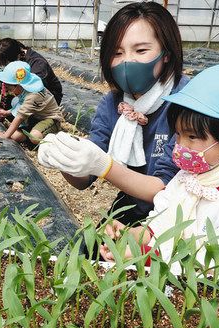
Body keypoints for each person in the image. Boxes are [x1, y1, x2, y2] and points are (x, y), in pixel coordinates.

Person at [99, 64, 219, 268]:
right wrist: (130, 235)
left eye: (192, 137)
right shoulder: (190, 175)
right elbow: (160, 226)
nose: (180, 146)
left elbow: (209, 274)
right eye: (178, 134)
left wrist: (140, 257)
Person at [38, 2, 187, 226]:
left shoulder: (185, 102)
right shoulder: (113, 103)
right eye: (117, 53)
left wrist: (105, 166)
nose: (128, 61)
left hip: (180, 213)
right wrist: (65, 160)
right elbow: (84, 180)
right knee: (90, 252)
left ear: (166, 53)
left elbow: (165, 187)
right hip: (135, 204)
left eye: (141, 50)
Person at [0, 38, 63, 128]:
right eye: (0, 65)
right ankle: (18, 123)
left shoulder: (37, 63)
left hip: (41, 103)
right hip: (21, 96)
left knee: (17, 102)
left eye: (6, 66)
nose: (2, 68)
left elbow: (35, 95)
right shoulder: (1, 60)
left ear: (18, 56)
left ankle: (29, 127)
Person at [0, 61, 63, 145]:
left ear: (19, 85)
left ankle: (49, 138)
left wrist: (5, 135)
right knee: (15, 136)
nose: (8, 90)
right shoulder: (26, 88)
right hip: (34, 117)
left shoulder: (33, 95)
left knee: (34, 137)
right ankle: (31, 137)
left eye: (9, 88)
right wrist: (7, 112)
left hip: (50, 119)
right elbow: (20, 104)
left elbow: (19, 117)